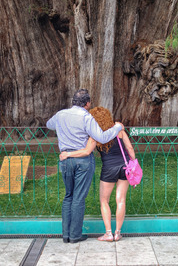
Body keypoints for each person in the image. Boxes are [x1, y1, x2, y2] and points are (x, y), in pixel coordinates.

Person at [46, 89, 124, 244]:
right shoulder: (86, 117)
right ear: (87, 103)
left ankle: (66, 235)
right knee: (78, 198)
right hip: (83, 161)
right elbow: (101, 137)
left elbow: (49, 125)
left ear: (73, 101)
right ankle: (75, 235)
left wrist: (64, 129)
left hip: (65, 159)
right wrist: (117, 128)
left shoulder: (60, 115)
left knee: (69, 195)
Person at [59, 106, 136, 242]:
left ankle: (108, 233)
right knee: (121, 200)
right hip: (125, 168)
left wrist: (67, 154)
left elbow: (86, 151)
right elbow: (129, 148)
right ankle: (118, 233)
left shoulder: (95, 136)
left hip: (108, 170)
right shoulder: (120, 131)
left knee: (104, 200)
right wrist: (134, 163)